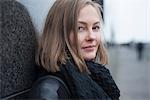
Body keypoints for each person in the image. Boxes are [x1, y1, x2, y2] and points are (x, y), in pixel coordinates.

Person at [29, 0, 120, 99]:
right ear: (59, 34)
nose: (92, 36)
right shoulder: (49, 92)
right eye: (80, 28)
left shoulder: (94, 76)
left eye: (95, 27)